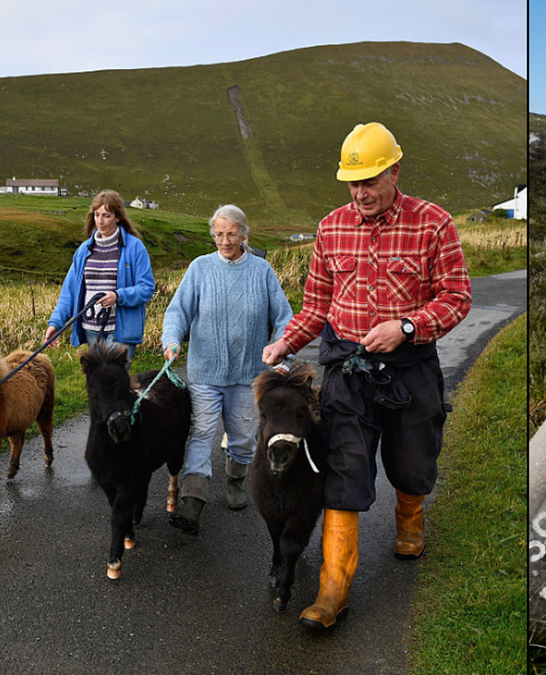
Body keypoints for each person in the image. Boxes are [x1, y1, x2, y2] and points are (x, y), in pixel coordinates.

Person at [261, 122, 472, 630]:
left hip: (410, 366)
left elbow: (458, 297)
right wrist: (285, 342)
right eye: (353, 183)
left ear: (394, 171)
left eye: (370, 181)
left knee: (412, 458)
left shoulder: (434, 223)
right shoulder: (330, 227)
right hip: (347, 372)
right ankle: (333, 589)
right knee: (343, 469)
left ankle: (409, 521)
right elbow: (315, 307)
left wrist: (407, 326)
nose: (361, 194)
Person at [163, 204, 293, 535]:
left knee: (244, 437)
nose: (224, 240)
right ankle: (193, 501)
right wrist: (172, 339)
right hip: (205, 371)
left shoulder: (262, 272)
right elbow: (178, 310)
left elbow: (283, 318)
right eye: (219, 234)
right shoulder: (200, 269)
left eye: (231, 234)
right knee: (202, 432)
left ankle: (236, 479)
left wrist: (281, 353)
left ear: (244, 235)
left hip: (248, 373)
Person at [46, 190, 154, 366]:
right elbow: (69, 293)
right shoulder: (83, 251)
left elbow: (147, 287)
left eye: (106, 215)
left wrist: (118, 296)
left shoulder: (135, 248)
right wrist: (55, 324)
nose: (100, 221)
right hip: (91, 330)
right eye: (97, 215)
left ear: (117, 217)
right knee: (98, 385)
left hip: (121, 331)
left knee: (114, 385)